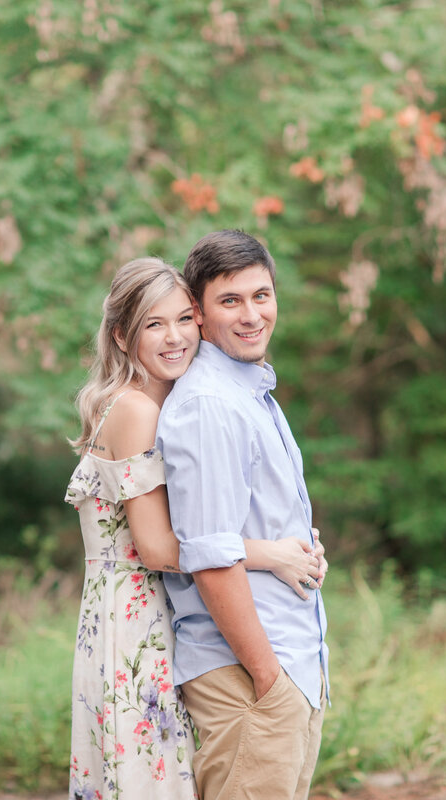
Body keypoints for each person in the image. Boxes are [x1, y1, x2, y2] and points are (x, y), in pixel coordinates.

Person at [65, 257, 326, 800]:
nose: (176, 336)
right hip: (134, 623)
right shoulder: (136, 409)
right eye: (154, 325)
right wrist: (271, 554)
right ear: (121, 334)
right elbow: (158, 549)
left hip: (148, 618)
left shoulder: (155, 404)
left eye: (184, 319)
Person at [157, 230, 329, 800]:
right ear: (200, 315)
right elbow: (208, 557)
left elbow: (247, 526)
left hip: (287, 666)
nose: (252, 314)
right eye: (230, 301)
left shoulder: (248, 394)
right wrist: (268, 680)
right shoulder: (210, 406)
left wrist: (302, 549)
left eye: (262, 296)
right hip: (249, 676)